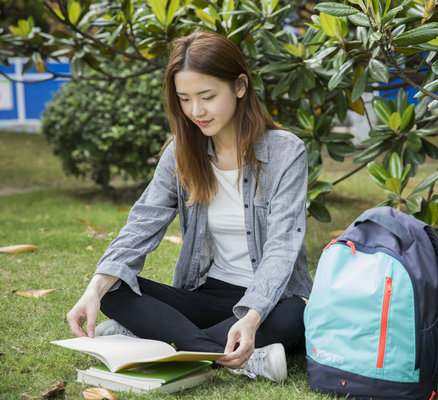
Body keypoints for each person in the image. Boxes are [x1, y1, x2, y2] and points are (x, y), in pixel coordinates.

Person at [65, 30, 313, 383]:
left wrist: (253, 315)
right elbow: (142, 223)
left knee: (295, 315)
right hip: (208, 295)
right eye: (184, 98)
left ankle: (155, 341)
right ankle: (244, 358)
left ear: (240, 87)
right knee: (114, 290)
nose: (196, 111)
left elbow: (282, 245)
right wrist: (93, 291)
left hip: (273, 299)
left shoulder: (286, 151)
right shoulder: (180, 153)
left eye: (207, 96)